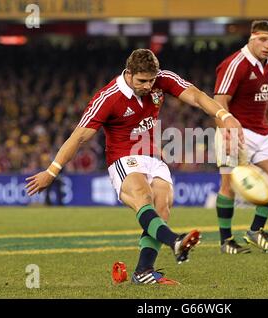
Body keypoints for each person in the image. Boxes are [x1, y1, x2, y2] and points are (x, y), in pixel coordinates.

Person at [25, 49, 244, 285]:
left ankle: (143, 272)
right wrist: (51, 171)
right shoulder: (109, 97)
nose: (149, 86)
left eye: (152, 80)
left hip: (153, 155)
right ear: (128, 74)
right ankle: (174, 242)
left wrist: (224, 115)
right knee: (143, 195)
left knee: (163, 204)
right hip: (123, 157)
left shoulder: (162, 79)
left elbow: (197, 96)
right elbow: (78, 137)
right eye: (142, 81)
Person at [214, 20, 268, 254]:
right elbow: (220, 102)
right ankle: (226, 241)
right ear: (252, 38)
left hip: (262, 130)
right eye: (263, 40)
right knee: (229, 186)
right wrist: (225, 130)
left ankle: (255, 230)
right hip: (236, 130)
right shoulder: (235, 64)